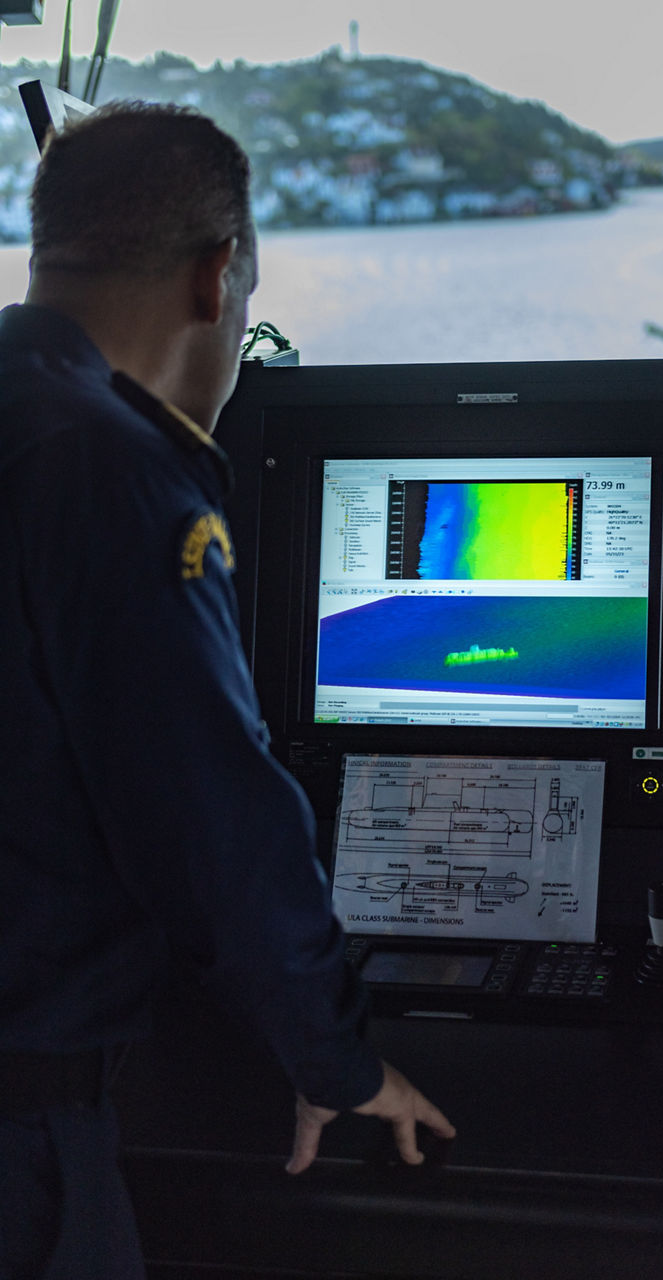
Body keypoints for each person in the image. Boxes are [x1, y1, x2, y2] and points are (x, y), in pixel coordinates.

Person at [0, 102, 455, 1279]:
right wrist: (335, 1056)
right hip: (25, 1127)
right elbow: (213, 818)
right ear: (216, 280)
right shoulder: (113, 471)